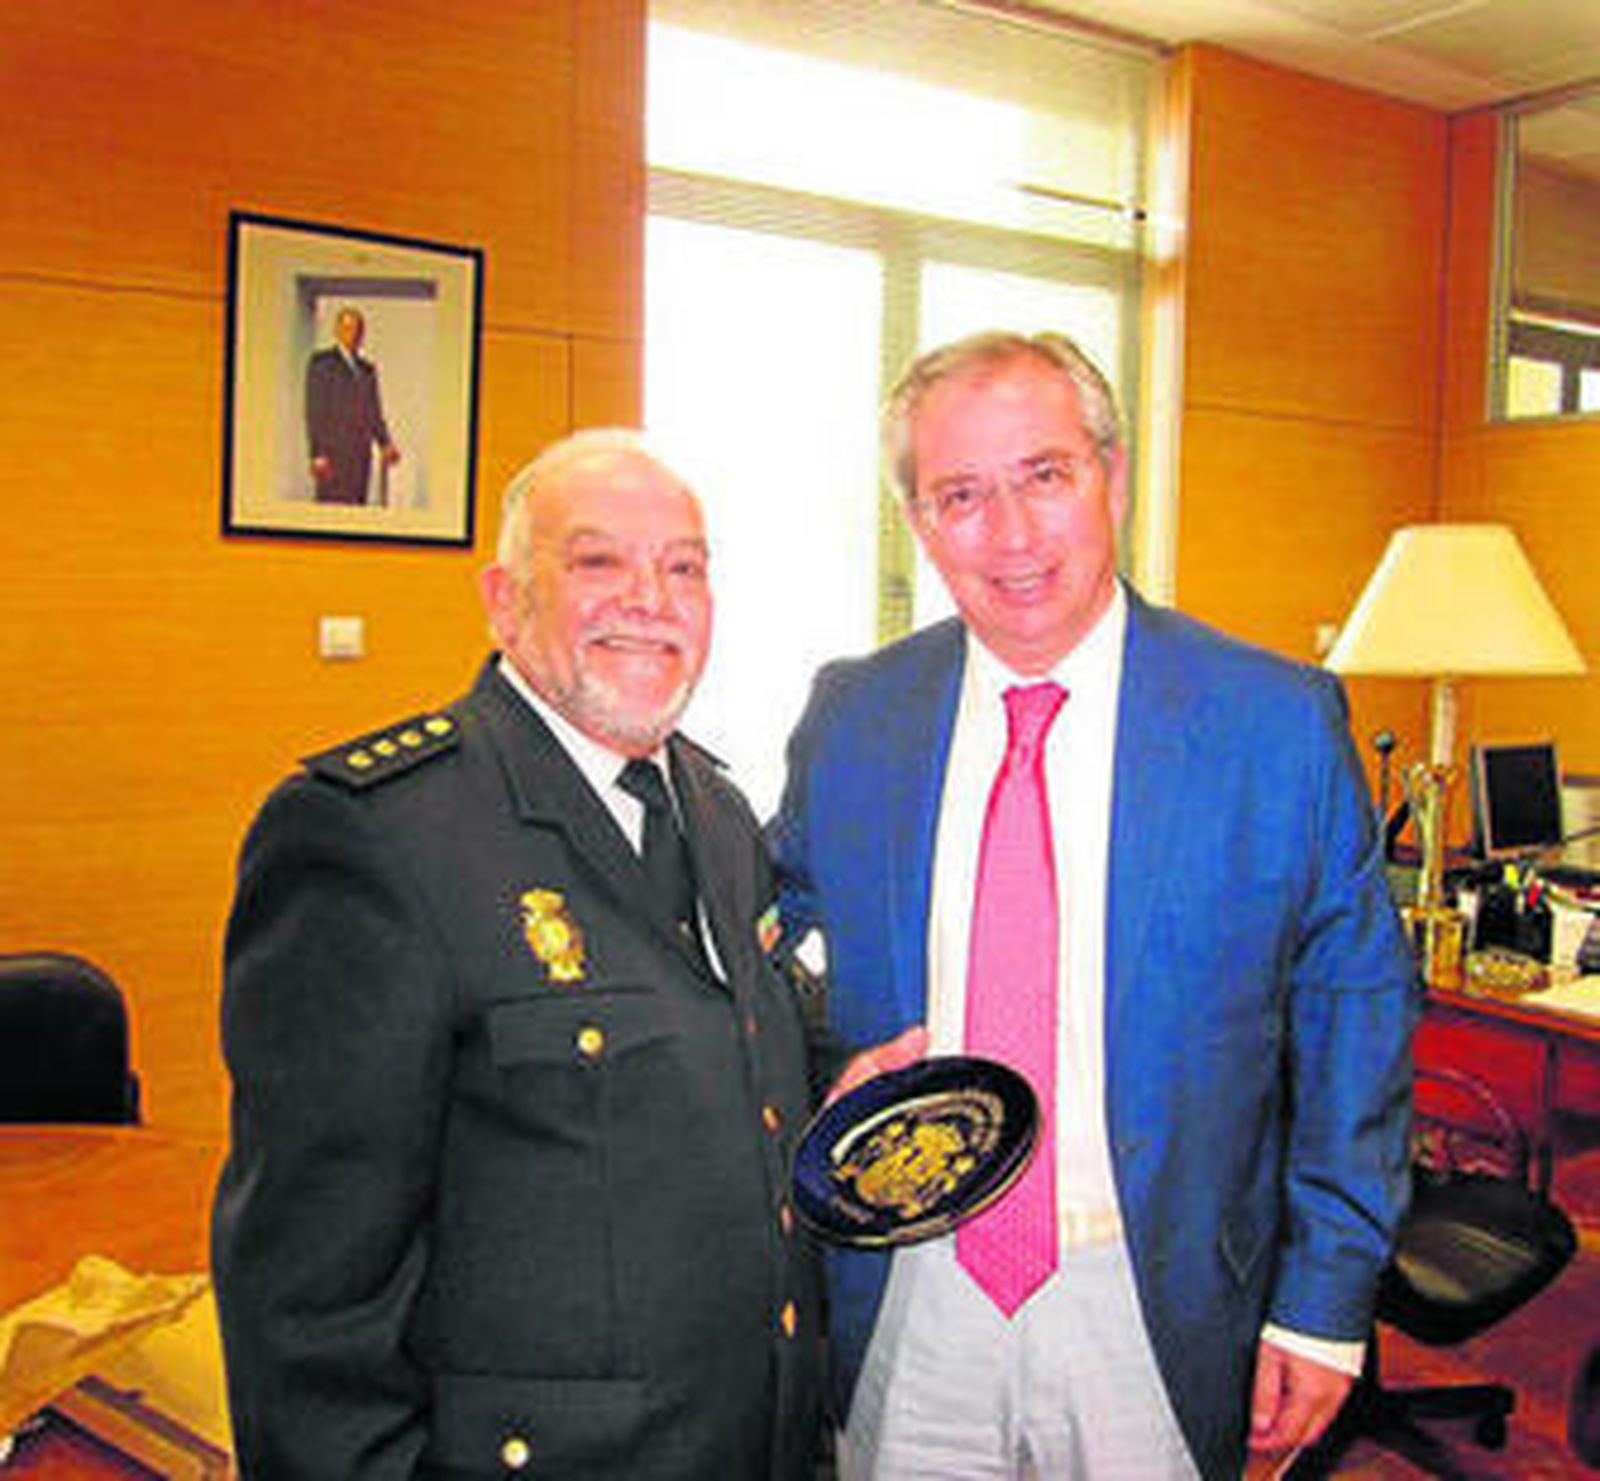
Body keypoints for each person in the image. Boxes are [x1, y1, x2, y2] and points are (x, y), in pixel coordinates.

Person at [771, 331, 1418, 1479]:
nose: (1011, 533)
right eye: (960, 494)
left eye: (1044, 475)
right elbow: (764, 952)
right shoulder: (854, 714)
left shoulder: (1273, 722)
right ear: (919, 522)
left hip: (1157, 1292)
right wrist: (826, 1079)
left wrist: (1323, 1301)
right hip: (911, 1293)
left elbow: (1353, 1022)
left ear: (1111, 477)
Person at [213, 430, 825, 1478]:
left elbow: (733, 1064)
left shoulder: (719, 814)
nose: (650, 599)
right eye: (598, 561)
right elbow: (308, 1297)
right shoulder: (377, 836)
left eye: (683, 567)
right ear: (504, 600)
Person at [305, 306, 400, 504]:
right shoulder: (322, 363)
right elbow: (314, 410)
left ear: (362, 334)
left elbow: (373, 412)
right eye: (347, 328)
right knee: (331, 509)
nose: (352, 334)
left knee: (356, 504)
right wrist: (317, 453)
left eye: (357, 329)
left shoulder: (367, 370)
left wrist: (385, 443)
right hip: (332, 455)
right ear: (337, 331)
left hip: (360, 454)